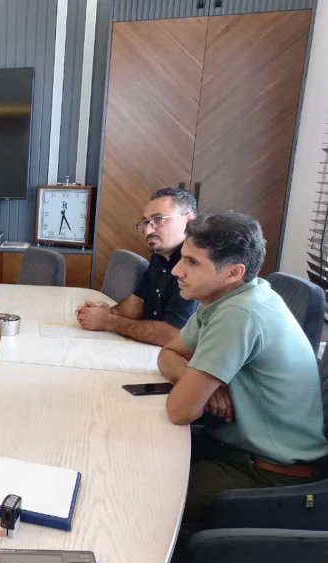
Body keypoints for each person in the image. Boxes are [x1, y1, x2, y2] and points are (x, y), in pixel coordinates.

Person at [157, 212, 327, 521]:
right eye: (182, 257)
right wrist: (202, 383)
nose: (177, 270)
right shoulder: (229, 297)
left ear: (234, 272)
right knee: (135, 452)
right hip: (235, 448)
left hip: (269, 473)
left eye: (193, 263)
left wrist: (196, 386)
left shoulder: (239, 313)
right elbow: (168, 353)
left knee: (144, 495)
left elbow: (179, 411)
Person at [76, 187, 199, 346]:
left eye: (159, 219)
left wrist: (108, 321)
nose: (148, 230)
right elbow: (138, 301)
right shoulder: (160, 255)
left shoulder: (197, 265)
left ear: (189, 221)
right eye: (146, 222)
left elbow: (172, 335)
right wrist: (107, 311)